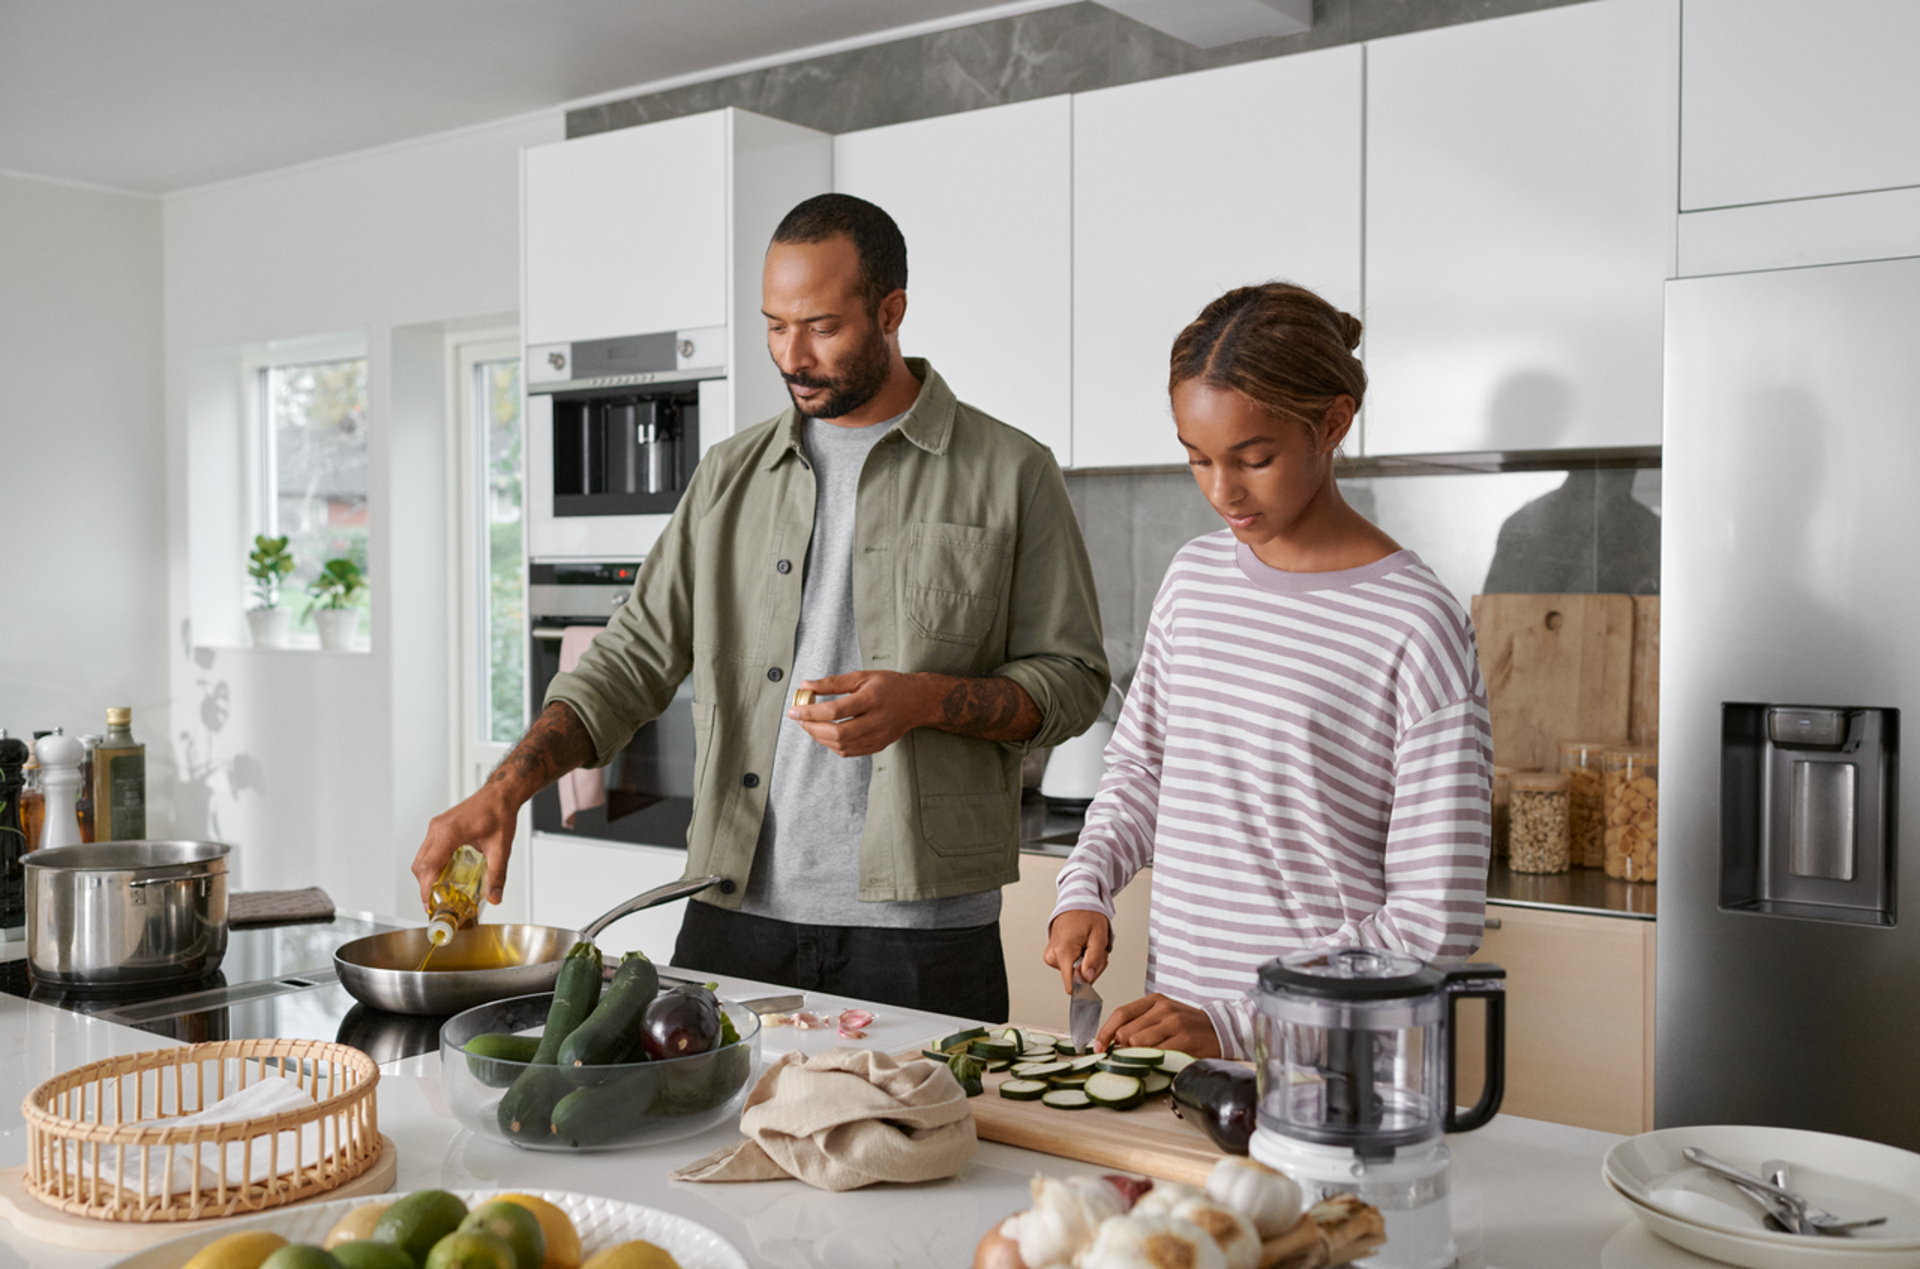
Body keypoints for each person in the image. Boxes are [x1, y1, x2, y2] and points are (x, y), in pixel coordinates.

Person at [413, 193, 1109, 1023]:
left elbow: (1073, 679)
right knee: (701, 1143)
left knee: (924, 1153)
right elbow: (630, 658)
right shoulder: (729, 476)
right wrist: (507, 786)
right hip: (731, 911)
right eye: (774, 325)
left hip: (921, 931)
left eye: (820, 326)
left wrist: (921, 700)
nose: (792, 354)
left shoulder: (1011, 470)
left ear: (892, 313)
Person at [1043, 282, 1492, 1059]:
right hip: (1178, 1051)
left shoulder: (1417, 623)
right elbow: (1143, 768)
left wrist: (1235, 1021)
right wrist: (1087, 884)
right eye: (1198, 459)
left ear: (1332, 423)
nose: (1224, 492)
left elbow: (1433, 923)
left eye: (1255, 458)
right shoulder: (1193, 580)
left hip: (1328, 1071)